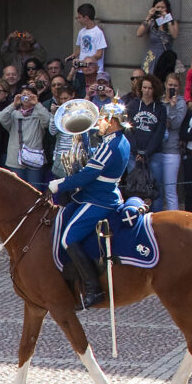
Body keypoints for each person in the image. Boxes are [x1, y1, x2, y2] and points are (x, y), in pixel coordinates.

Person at [52, 101, 136, 311]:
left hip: (99, 198)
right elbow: (93, 161)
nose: (98, 123)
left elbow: (86, 175)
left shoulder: (111, 146)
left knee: (68, 238)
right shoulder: (116, 141)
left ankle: (92, 288)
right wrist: (84, 139)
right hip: (98, 193)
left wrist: (59, 185)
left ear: (112, 121)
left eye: (102, 120)